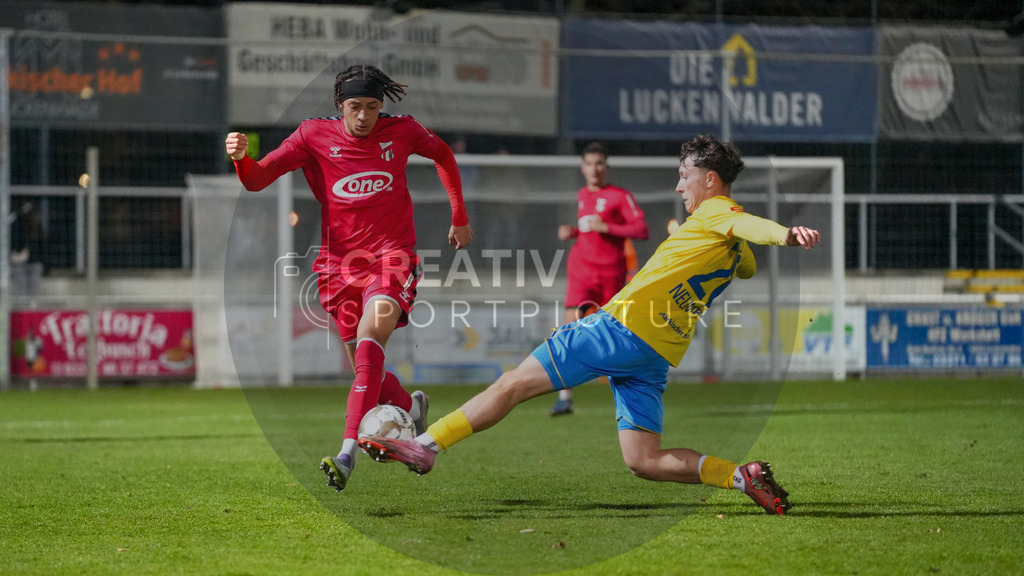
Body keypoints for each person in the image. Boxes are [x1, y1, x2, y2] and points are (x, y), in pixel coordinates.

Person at [359, 133, 820, 515]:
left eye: (685, 176)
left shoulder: (718, 212)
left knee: (512, 384)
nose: (680, 186)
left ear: (710, 178)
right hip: (655, 352)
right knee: (643, 460)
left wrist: (786, 234)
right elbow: (746, 262)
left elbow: (750, 226)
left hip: (620, 329)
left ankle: (425, 445)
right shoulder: (727, 239)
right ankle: (740, 477)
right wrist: (697, 238)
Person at [224, 64, 473, 492]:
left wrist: (460, 216)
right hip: (338, 268)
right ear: (340, 104)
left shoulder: (403, 130)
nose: (364, 116)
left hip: (393, 257)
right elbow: (258, 179)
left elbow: (443, 155)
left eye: (372, 107)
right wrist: (240, 158)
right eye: (355, 106)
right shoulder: (312, 135)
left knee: (372, 337)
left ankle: (346, 454)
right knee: (364, 369)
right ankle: (411, 408)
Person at [550, 142, 649, 416]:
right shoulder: (583, 194)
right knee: (568, 331)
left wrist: (605, 226)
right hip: (581, 272)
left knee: (614, 338)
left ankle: (630, 397)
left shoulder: (620, 196)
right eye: (589, 163)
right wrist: (572, 232)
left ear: (607, 167)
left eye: (599, 163)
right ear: (582, 167)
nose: (594, 169)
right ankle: (565, 397)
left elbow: (641, 229)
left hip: (610, 274)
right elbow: (590, 232)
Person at [9, 199, 45, 305]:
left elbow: (40, 242)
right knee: (20, 276)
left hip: (34, 259)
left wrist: (27, 250)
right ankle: (25, 302)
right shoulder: (15, 219)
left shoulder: (36, 219)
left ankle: (31, 302)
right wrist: (14, 253)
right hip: (18, 257)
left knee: (34, 276)